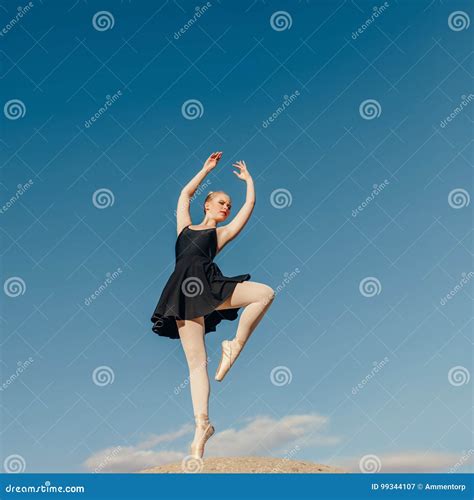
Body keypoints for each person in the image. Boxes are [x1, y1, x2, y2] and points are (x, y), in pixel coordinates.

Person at [150, 152, 275, 459]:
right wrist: (206, 169)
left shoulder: (220, 235)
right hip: (182, 293)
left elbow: (249, 207)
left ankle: (235, 345)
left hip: (211, 287)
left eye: (228, 206)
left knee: (265, 293)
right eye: (221, 203)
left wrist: (250, 183)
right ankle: (201, 427)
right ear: (207, 205)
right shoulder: (184, 228)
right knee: (196, 365)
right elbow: (185, 194)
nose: (226, 208)